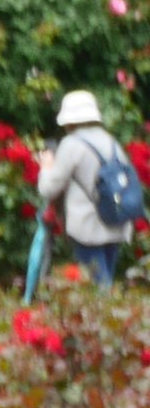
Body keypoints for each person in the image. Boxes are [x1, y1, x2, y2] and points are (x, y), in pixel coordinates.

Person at [35, 88, 140, 289]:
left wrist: (46, 167)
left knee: (98, 289)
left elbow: (48, 189)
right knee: (106, 282)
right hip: (117, 221)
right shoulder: (111, 141)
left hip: (88, 228)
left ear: (69, 121)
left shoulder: (71, 144)